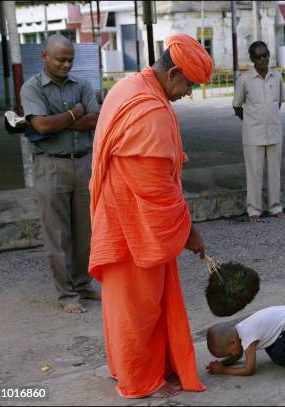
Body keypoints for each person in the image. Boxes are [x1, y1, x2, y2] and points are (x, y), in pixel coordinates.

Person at [88, 34, 213, 398]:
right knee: (138, 309)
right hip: (135, 226)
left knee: (128, 306)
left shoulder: (128, 86)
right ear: (173, 72)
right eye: (189, 84)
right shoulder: (152, 111)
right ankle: (140, 382)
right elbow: (156, 188)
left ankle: (133, 369)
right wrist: (188, 232)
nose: (189, 93)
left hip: (120, 216)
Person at [21, 34, 101, 314]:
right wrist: (74, 114)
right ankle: (66, 294)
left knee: (85, 231)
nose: (66, 64)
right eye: (60, 59)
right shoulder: (32, 88)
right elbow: (41, 126)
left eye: (70, 59)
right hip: (51, 165)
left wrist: (63, 121)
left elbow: (96, 118)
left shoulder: (82, 85)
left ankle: (83, 284)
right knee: (57, 234)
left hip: (83, 163)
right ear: (44, 56)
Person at [233, 41, 285, 222]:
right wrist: (251, 121)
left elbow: (278, 103)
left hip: (274, 132)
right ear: (252, 59)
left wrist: (267, 118)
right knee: (254, 174)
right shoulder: (244, 80)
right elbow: (237, 106)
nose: (262, 59)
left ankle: (275, 207)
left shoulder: (277, 77)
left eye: (265, 55)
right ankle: (254, 210)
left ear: (269, 54)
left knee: (274, 173)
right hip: (252, 135)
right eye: (258, 56)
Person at [206, 305, 285, 384]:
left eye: (228, 353)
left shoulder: (247, 338)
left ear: (232, 342)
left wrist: (223, 370)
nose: (231, 355)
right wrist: (221, 364)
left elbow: (249, 370)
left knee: (278, 354)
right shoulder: (238, 332)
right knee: (274, 354)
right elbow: (237, 355)